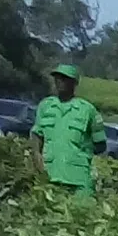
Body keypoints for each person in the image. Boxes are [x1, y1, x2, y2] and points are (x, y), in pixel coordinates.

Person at [33, 63, 103, 202]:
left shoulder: (87, 110)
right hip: (50, 175)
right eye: (57, 78)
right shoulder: (46, 106)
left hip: (78, 180)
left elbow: (100, 144)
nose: (60, 82)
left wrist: (82, 153)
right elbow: (37, 133)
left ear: (74, 83)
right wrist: (37, 154)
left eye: (65, 79)